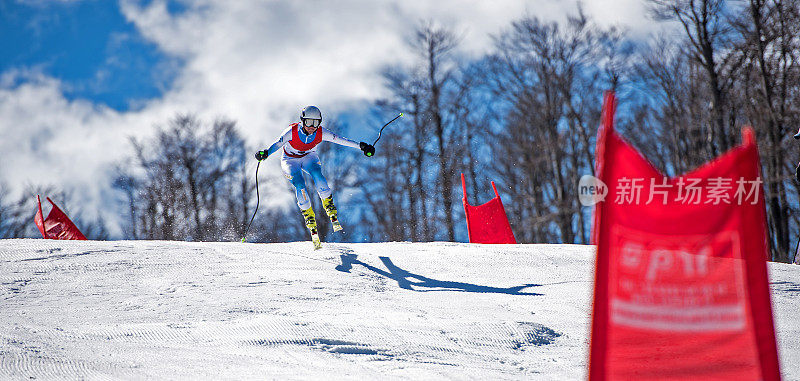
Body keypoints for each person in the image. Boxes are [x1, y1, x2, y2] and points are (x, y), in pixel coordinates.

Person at [255, 106, 375, 249]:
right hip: (290, 160)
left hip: (308, 157)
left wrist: (362, 146)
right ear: (302, 121)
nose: (312, 127)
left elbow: (340, 140)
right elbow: (278, 143)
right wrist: (266, 153)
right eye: (309, 122)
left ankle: (329, 205)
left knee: (317, 175)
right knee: (299, 184)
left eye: (316, 122)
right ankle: (308, 215)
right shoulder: (291, 131)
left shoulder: (321, 132)